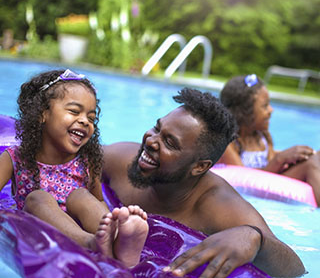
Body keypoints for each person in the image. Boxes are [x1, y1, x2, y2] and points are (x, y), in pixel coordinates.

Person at [66, 87, 306, 278]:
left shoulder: (216, 206)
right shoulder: (121, 161)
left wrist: (255, 238)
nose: (151, 141)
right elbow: (63, 157)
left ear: (199, 166)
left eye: (170, 143)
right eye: (157, 128)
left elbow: (295, 269)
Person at [0, 69, 148, 267]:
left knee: (80, 195)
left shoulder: (86, 162)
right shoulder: (15, 158)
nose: (85, 121)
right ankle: (91, 242)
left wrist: (109, 219)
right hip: (40, 225)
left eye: (91, 118)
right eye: (74, 111)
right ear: (43, 113)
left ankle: (121, 241)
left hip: (79, 223)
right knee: (38, 197)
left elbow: (98, 202)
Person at [219, 74, 320, 207]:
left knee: (315, 156)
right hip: (245, 195)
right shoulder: (229, 143)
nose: (271, 110)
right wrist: (280, 160)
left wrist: (293, 157)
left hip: (266, 184)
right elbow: (242, 179)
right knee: (311, 164)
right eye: (265, 106)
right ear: (244, 112)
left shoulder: (263, 137)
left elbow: (271, 165)